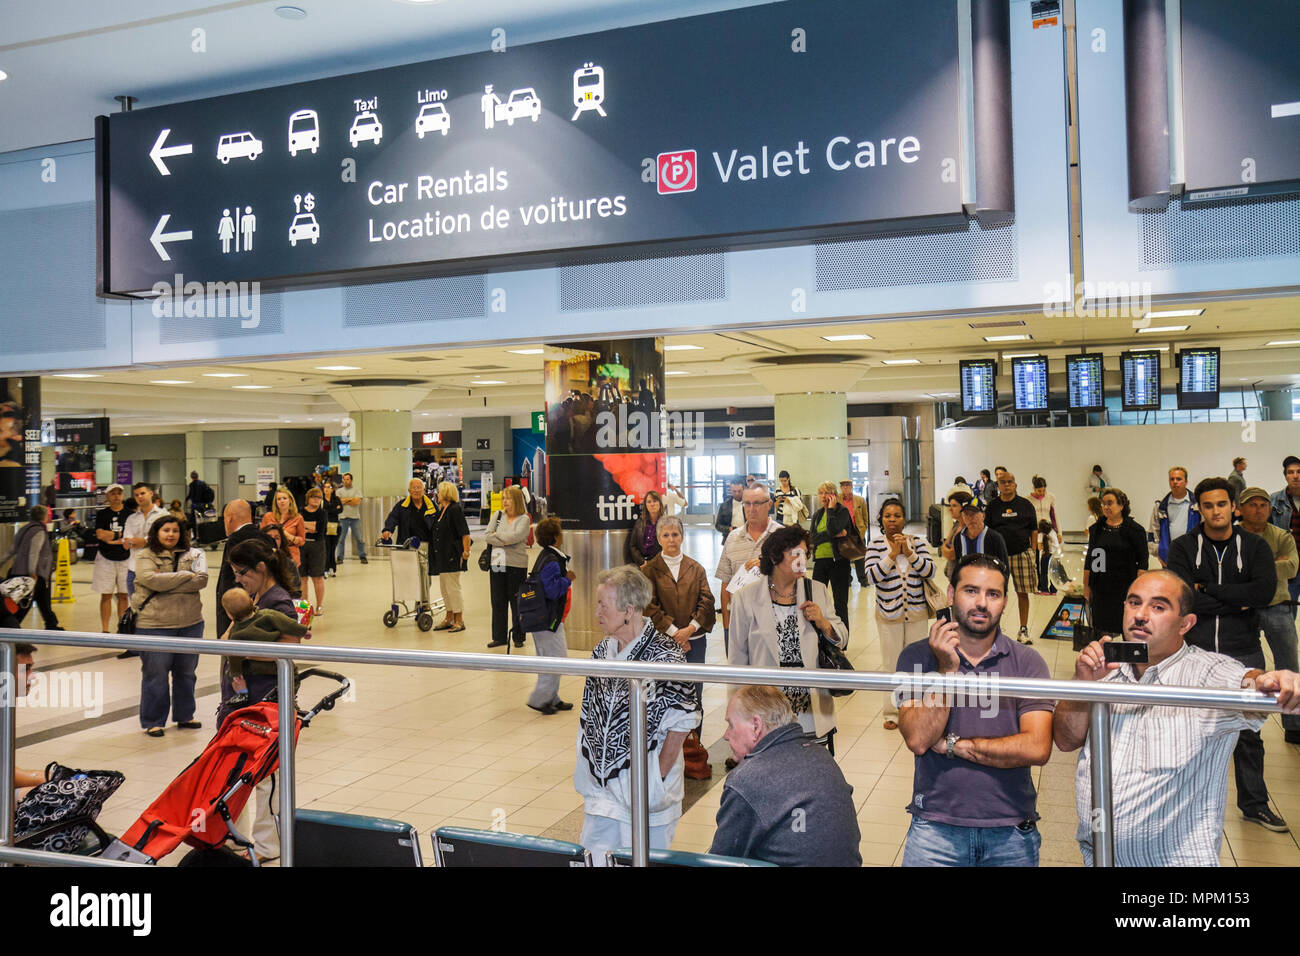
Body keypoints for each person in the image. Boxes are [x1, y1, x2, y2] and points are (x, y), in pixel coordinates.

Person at [1054, 570, 1300, 866]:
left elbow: (1244, 681)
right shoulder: (1105, 668)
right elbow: (1066, 740)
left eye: (1158, 607)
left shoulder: (1205, 674)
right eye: (1134, 602)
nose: (1141, 615)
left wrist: (1270, 681)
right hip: (1100, 857)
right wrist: (1083, 684)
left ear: (1186, 623)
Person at [897, 553, 1054, 867]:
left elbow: (1037, 747)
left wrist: (955, 746)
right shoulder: (917, 657)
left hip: (1011, 831)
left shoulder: (1027, 663)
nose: (982, 603)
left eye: (993, 594)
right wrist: (946, 670)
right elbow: (918, 739)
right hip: (934, 830)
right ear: (951, 594)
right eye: (971, 591)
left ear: (1005, 602)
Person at [1168, 477, 1282, 832]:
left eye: (1221, 504)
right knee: (1187, 729)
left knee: (1248, 732)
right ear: (1199, 508)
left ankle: (1255, 804)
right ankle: (1183, 805)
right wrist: (1235, 597)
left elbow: (1262, 593)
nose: (1215, 511)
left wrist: (1208, 589)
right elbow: (1183, 598)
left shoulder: (1255, 546)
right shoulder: (1184, 547)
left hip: (1243, 650)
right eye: (1208, 505)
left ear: (1233, 507)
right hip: (1193, 650)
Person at [575, 565, 699, 862]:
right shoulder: (602, 651)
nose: (597, 613)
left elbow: (683, 719)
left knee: (644, 859)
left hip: (648, 795)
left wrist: (657, 775)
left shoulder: (665, 656)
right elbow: (591, 711)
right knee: (594, 858)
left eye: (603, 605)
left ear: (628, 611)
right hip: (603, 793)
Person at [709, 685, 862, 866]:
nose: (726, 735)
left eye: (731, 725)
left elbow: (721, 860)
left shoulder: (746, 780)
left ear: (756, 726)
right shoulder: (821, 756)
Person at [729, 525, 848, 750]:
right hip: (766, 712)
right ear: (775, 557)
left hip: (811, 713)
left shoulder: (817, 591)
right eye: (796, 554)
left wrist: (823, 622)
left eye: (805, 554)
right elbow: (737, 658)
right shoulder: (746, 598)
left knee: (812, 767)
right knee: (771, 768)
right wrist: (739, 714)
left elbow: (842, 637)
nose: (802, 560)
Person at [225, 537, 299, 863]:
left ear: (261, 568)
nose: (238, 580)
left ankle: (269, 846)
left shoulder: (278, 602)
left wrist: (240, 651)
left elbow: (290, 647)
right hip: (247, 700)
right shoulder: (254, 599)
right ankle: (234, 835)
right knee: (239, 771)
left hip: (266, 701)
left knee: (267, 778)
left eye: (242, 573)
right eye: (234, 574)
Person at [641, 515, 716, 779]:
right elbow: (649, 606)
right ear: (658, 538)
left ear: (682, 537)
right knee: (665, 697)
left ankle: (693, 752)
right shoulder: (649, 570)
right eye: (666, 535)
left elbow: (707, 600)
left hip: (694, 643)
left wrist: (689, 630)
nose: (671, 539)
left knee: (694, 696)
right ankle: (664, 758)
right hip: (663, 645)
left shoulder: (696, 568)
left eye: (675, 534)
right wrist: (674, 632)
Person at [132, 516, 208, 738]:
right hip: (154, 624)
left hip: (191, 623)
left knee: (186, 673)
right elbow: (150, 580)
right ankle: (154, 721)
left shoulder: (195, 554)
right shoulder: (145, 555)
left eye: (175, 530)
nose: (171, 534)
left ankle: (185, 715)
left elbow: (202, 580)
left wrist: (166, 582)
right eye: (166, 530)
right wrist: (184, 576)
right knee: (155, 674)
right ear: (156, 532)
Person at [864, 498, 936, 730]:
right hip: (889, 615)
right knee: (892, 664)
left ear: (904, 519)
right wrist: (892, 555)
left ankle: (916, 709)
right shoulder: (875, 545)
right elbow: (871, 577)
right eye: (887, 516)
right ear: (881, 520)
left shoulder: (917, 542)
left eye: (897, 516)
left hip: (917, 613)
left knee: (917, 664)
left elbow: (930, 570)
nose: (892, 520)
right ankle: (892, 712)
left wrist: (910, 554)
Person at [1236, 487, 1300, 744]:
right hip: (1243, 609)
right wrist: (1274, 563)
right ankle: (1245, 724)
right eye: (1252, 505)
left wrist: (1254, 568)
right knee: (1245, 668)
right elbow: (1232, 571)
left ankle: (1294, 724)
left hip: (1277, 605)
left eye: (1263, 505)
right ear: (1240, 509)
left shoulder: (1281, 536)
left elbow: (1292, 567)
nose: (1258, 509)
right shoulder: (1233, 536)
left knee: (1289, 664)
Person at [524, 517, 575, 715]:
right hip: (548, 619)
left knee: (550, 656)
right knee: (556, 657)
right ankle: (540, 699)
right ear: (555, 538)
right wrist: (567, 579)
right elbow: (552, 591)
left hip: (544, 618)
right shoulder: (553, 561)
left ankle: (552, 697)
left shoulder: (547, 556)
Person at [1083, 488, 1150, 638]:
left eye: (1110, 503)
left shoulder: (1135, 530)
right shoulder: (1097, 529)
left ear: (1121, 506)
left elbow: (1143, 563)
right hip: (1101, 587)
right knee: (1101, 629)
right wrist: (1087, 586)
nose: (1106, 507)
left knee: (1127, 627)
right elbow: (1091, 559)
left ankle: (1128, 653)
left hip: (1125, 587)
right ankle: (1103, 652)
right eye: (1104, 504)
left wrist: (1139, 590)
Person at [220, 586, 310, 695]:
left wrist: (235, 675)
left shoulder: (235, 634)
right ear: (252, 602)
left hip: (257, 671)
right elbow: (287, 623)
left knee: (234, 670)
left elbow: (234, 658)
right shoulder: (267, 614)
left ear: (230, 615)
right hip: (279, 667)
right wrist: (303, 631)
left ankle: (243, 693)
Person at [984, 471, 1039, 645]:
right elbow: (987, 531)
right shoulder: (992, 506)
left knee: (1023, 593)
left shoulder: (1025, 505)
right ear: (998, 486)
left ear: (1015, 485)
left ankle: (1023, 629)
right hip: (998, 557)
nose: (1006, 485)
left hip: (1021, 554)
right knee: (997, 594)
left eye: (1009, 482)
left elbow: (1034, 530)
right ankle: (995, 629)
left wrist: (1033, 551)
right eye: (1003, 482)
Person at [484, 485, 530, 649]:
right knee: (498, 601)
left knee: (516, 601)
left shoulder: (524, 519)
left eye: (508, 498)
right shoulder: (497, 516)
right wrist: (506, 540)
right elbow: (487, 536)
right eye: (503, 498)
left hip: (516, 564)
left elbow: (517, 536)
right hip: (497, 562)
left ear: (516, 500)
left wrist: (499, 536)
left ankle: (518, 636)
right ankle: (499, 637)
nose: (505, 501)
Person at [1, 506, 61, 630]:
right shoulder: (39, 531)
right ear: (44, 517)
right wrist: (32, 573)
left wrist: (1, 562)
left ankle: (51, 624)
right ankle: (11, 627)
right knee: (24, 605)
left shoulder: (23, 529)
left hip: (18, 571)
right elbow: (34, 553)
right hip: (33, 575)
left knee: (43, 600)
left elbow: (12, 550)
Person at [810, 480, 853, 636]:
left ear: (834, 495)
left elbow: (833, 528)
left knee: (840, 604)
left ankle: (843, 640)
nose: (823, 496)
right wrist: (830, 535)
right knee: (816, 601)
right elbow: (813, 538)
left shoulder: (842, 511)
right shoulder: (817, 514)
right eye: (821, 493)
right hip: (820, 562)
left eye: (827, 493)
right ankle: (821, 638)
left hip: (839, 562)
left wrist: (831, 510)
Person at [430, 480, 471, 632]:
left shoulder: (455, 509)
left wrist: (466, 552)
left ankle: (459, 619)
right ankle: (449, 617)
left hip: (452, 554)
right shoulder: (442, 510)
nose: (437, 495)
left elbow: (465, 533)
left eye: (439, 492)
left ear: (445, 493)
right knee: (445, 589)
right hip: (441, 554)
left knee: (453, 588)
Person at [92, 484, 131, 636]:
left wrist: (112, 537)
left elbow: (130, 537)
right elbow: (100, 535)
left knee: (123, 595)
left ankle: (122, 627)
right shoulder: (102, 514)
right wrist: (119, 536)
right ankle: (105, 629)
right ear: (107, 496)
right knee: (106, 594)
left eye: (119, 493)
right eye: (113, 493)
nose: (116, 496)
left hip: (125, 558)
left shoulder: (130, 514)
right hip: (105, 557)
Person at [1147, 465, 1199, 568]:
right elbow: (1153, 532)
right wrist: (1159, 553)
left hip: (1193, 557)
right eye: (1172, 479)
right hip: (1168, 559)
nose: (1175, 482)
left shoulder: (1197, 505)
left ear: (1186, 482)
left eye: (1179, 479)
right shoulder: (1160, 506)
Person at [123, 482, 167, 599]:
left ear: (151, 493)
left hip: (156, 568)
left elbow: (163, 539)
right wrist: (147, 540)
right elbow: (126, 544)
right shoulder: (131, 518)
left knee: (158, 604)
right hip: (134, 569)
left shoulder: (163, 515)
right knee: (135, 605)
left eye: (142, 493)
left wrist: (139, 541)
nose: (140, 497)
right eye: (136, 495)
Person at [1269, 455, 1300, 618]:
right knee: (1287, 615)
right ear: (1286, 476)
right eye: (1290, 472)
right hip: (1289, 567)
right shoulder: (1274, 500)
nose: (1295, 476)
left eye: (1299, 472)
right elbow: (1265, 531)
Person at [950, 498, 1010, 570]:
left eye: (974, 513)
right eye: (966, 514)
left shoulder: (995, 538)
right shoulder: (958, 538)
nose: (970, 518)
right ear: (962, 516)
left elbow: (1004, 569)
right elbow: (958, 565)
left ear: (983, 516)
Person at [380, 477, 436, 549]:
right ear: (409, 491)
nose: (416, 490)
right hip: (406, 545)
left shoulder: (432, 505)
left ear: (424, 490)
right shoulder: (402, 505)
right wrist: (388, 530)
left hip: (427, 545)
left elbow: (438, 523)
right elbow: (392, 518)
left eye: (419, 488)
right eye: (413, 488)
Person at [298, 487, 328, 615]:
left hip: (317, 545)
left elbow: (319, 530)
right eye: (313, 497)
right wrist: (310, 526)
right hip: (301, 545)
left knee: (318, 577)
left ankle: (319, 605)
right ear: (308, 498)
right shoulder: (300, 512)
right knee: (302, 577)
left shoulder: (322, 513)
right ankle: (304, 606)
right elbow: (298, 528)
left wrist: (305, 525)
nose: (316, 500)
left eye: (319, 497)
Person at [260, 487, 305, 566]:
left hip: (291, 556)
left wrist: (289, 536)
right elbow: (260, 537)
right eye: (279, 499)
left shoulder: (298, 518)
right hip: (271, 555)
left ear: (290, 500)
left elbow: (302, 541)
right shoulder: (268, 516)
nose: (282, 501)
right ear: (276, 502)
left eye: (284, 498)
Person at [839, 479, 870, 586]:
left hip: (857, 530)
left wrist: (863, 528)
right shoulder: (837, 500)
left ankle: (863, 579)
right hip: (843, 531)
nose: (846, 487)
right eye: (843, 486)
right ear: (841, 488)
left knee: (860, 556)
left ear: (851, 487)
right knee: (845, 556)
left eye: (848, 485)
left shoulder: (860, 500)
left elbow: (865, 517)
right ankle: (847, 579)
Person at [260, 523, 303, 599]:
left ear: (281, 542)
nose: (272, 540)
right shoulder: (254, 562)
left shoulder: (289, 564)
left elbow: (296, 592)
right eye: (269, 537)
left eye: (276, 538)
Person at [334, 472, 368, 564]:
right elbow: (338, 502)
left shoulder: (357, 490)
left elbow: (356, 502)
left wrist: (344, 500)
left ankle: (362, 556)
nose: (345, 481)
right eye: (344, 479)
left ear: (351, 480)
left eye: (347, 479)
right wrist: (350, 499)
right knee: (341, 539)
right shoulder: (338, 491)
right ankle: (340, 557)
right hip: (342, 517)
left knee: (359, 539)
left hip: (355, 518)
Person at [625, 490, 664, 565]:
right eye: (649, 502)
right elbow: (633, 545)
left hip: (658, 564)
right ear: (645, 505)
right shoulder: (639, 522)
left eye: (655, 501)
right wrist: (642, 562)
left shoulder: (666, 523)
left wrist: (654, 563)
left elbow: (667, 547)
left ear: (660, 503)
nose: (652, 504)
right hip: (641, 564)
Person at [1035, 519, 1063, 595]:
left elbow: (1039, 547)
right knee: (1054, 573)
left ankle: (1044, 590)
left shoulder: (1040, 534)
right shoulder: (1053, 532)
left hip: (1045, 555)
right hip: (1055, 555)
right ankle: (1053, 590)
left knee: (1044, 573)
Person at [714, 480, 745, 545]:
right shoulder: (724, 506)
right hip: (729, 538)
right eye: (734, 491)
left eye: (739, 491)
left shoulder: (750, 505)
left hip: (746, 538)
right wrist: (729, 529)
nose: (737, 493)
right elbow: (718, 525)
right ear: (731, 490)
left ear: (743, 490)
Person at [321, 481, 342, 577]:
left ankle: (332, 568)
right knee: (327, 548)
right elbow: (323, 511)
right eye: (325, 487)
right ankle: (325, 569)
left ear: (332, 489)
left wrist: (330, 510)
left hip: (335, 526)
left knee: (333, 548)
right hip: (325, 526)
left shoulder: (336, 499)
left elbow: (340, 509)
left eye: (329, 487)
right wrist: (334, 509)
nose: (326, 489)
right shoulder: (321, 500)